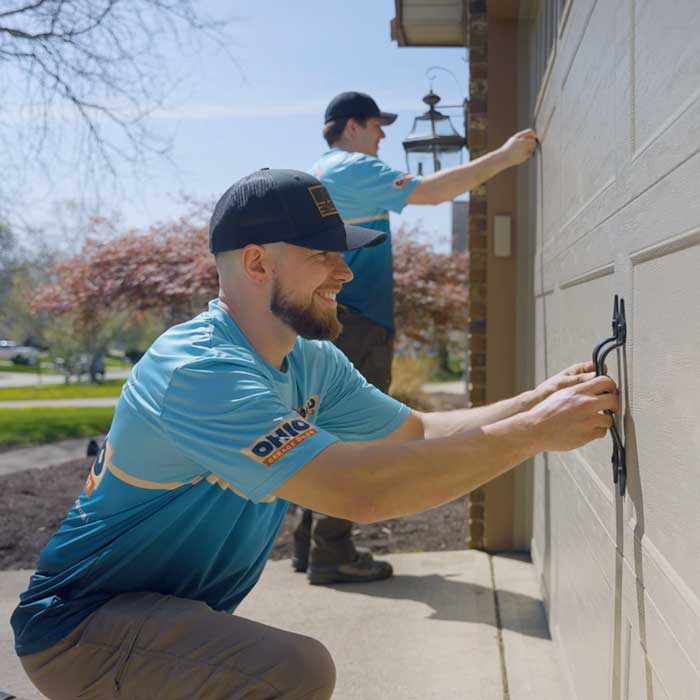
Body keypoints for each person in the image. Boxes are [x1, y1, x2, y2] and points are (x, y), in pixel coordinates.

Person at [11, 169, 618, 700]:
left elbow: (415, 432)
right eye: (323, 253)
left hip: (166, 617)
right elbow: (359, 492)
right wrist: (533, 434)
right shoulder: (201, 371)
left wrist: (536, 402)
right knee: (291, 672)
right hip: (81, 628)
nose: (346, 271)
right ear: (256, 263)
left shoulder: (308, 360)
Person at [296, 91, 539, 585]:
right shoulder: (352, 168)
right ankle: (331, 553)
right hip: (358, 320)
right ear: (351, 126)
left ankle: (311, 545)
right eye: (376, 125)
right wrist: (507, 156)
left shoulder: (323, 169)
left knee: (323, 427)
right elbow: (430, 191)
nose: (383, 135)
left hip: (338, 320)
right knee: (356, 434)